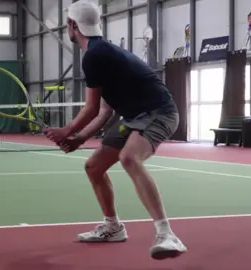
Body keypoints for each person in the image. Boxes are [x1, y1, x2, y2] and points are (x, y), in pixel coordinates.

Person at [43, 0, 187, 260]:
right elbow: (105, 111)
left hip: (160, 113)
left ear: (73, 25)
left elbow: (90, 108)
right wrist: (78, 139)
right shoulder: (103, 53)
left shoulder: (95, 55)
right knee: (94, 167)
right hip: (134, 118)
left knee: (129, 157)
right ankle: (113, 227)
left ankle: (167, 234)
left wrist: (66, 130)